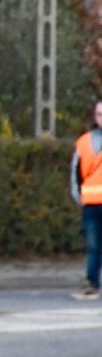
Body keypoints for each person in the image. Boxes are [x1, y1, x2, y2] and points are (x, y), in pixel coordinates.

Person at [69, 99, 102, 299]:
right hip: (91, 203)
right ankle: (91, 283)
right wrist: (77, 195)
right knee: (93, 246)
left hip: (91, 202)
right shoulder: (83, 142)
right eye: (99, 114)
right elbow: (75, 172)